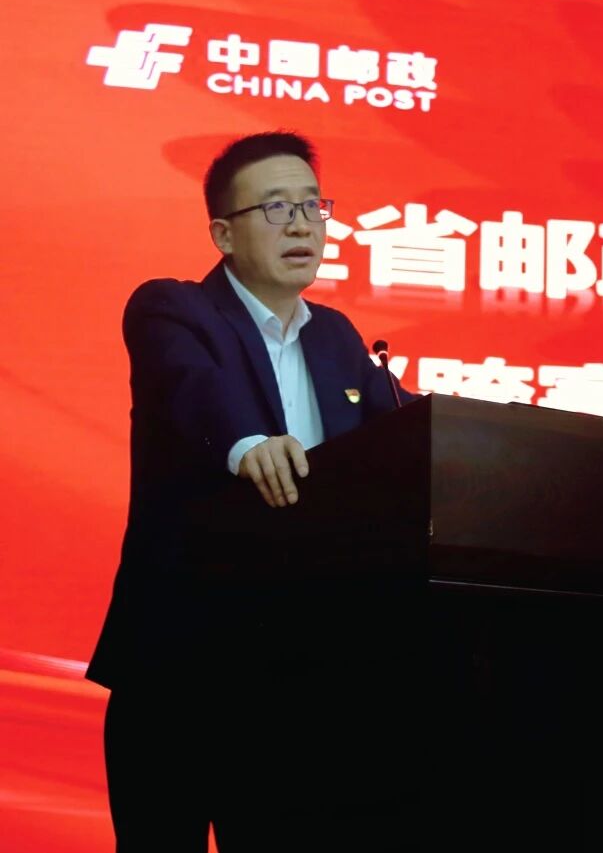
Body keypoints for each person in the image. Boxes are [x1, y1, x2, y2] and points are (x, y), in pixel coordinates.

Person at [86, 131, 421, 851]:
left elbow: (405, 432)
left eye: (312, 206)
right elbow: (190, 388)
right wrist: (248, 446)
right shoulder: (174, 311)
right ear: (223, 234)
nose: (301, 225)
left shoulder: (336, 338)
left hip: (298, 683)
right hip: (179, 670)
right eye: (275, 208)